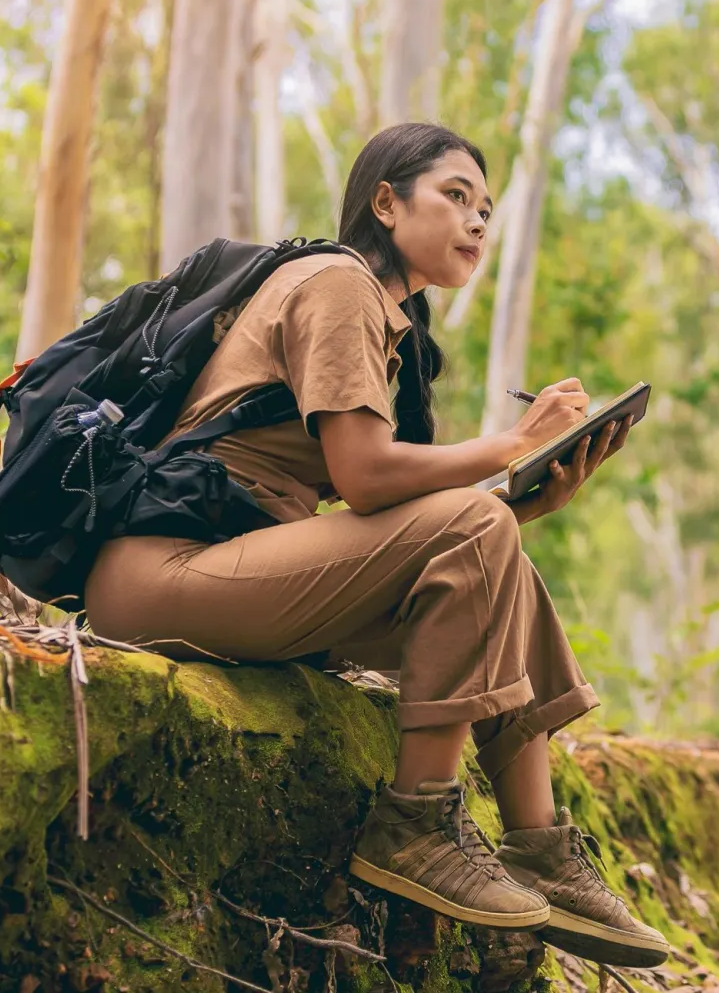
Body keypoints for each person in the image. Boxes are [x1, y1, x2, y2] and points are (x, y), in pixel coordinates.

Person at [84, 122, 670, 969]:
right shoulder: (336, 283)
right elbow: (362, 476)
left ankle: (541, 848)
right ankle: (416, 824)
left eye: (486, 209)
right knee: (477, 524)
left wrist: (525, 497)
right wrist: (512, 442)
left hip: (247, 570)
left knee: (501, 551)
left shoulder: (393, 324)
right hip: (163, 573)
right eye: (455, 197)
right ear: (386, 203)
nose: (476, 222)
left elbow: (404, 528)